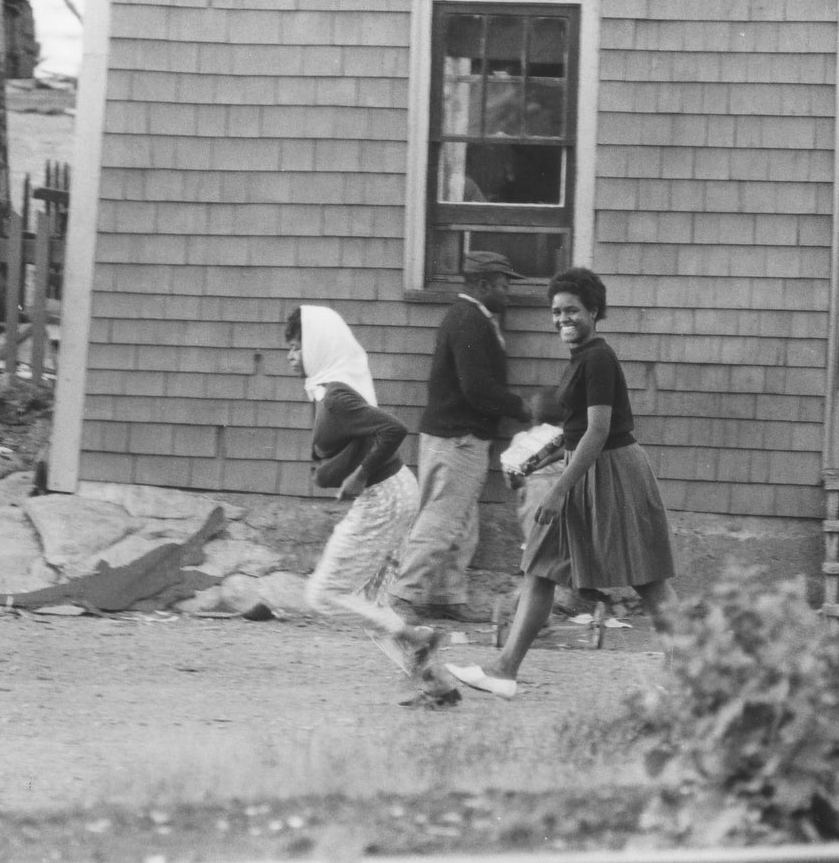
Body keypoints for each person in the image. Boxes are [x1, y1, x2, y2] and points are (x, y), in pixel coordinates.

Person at [447, 267, 677, 699]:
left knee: (649, 578)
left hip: (615, 474)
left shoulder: (599, 358)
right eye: (556, 312)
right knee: (540, 568)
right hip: (583, 470)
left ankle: (686, 673)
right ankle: (503, 670)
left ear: (593, 310)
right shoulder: (579, 359)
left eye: (571, 310)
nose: (562, 319)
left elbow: (598, 431)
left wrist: (557, 489)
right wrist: (535, 462)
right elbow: (574, 433)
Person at [284, 305, 449, 689]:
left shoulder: (338, 398)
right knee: (370, 605)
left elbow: (395, 429)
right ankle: (435, 683)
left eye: (296, 347)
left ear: (317, 346)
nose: (290, 357)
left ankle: (418, 638)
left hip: (384, 497)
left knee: (323, 594)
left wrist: (358, 475)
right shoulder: (332, 389)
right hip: (394, 492)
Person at [386, 251, 532, 624]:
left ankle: (446, 596)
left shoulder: (471, 317)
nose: (507, 294)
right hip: (458, 438)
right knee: (442, 518)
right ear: (482, 286)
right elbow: (477, 389)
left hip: (457, 436)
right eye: (502, 286)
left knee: (461, 521)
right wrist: (523, 409)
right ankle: (403, 594)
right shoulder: (469, 320)